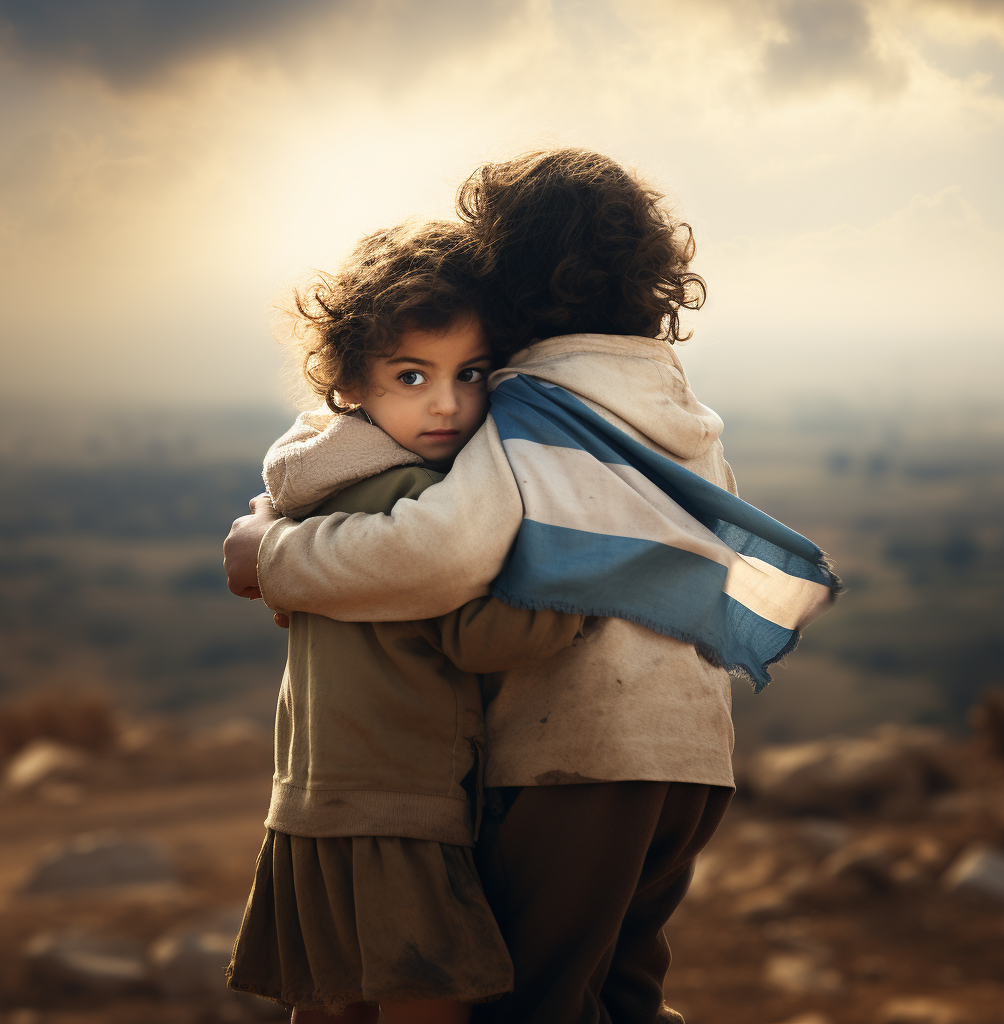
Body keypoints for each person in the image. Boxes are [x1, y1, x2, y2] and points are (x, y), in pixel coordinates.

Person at [225, 149, 839, 1024]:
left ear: (507, 277)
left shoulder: (533, 405)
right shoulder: (676, 405)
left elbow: (441, 554)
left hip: (576, 762)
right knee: (623, 991)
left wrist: (274, 554)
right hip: (693, 764)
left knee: (536, 1004)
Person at [224, 220, 585, 1024]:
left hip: (310, 807)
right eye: (412, 376)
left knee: (337, 1001)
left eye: (472, 373)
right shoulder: (409, 503)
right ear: (350, 383)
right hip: (398, 807)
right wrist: (581, 595)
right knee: (431, 1000)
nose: (449, 404)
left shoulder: (310, 487)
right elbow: (477, 634)